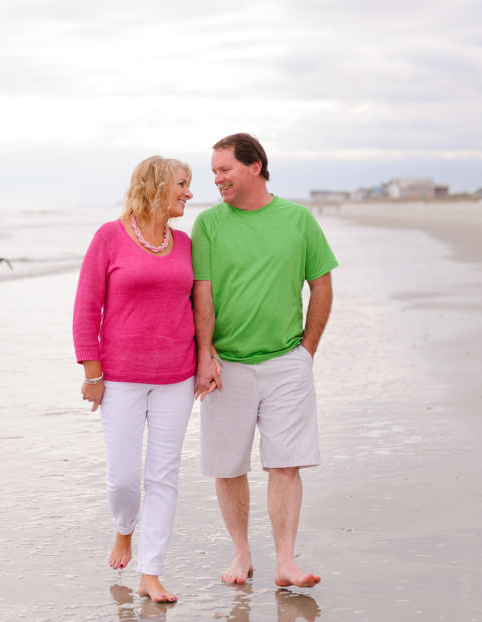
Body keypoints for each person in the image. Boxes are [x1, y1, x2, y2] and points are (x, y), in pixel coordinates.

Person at [192, 133, 338, 588]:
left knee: (285, 464)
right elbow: (203, 295)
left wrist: (306, 351)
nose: (216, 179)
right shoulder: (209, 225)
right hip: (226, 364)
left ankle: (286, 562)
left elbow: (322, 285)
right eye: (213, 170)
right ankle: (241, 554)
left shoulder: (297, 219)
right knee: (228, 466)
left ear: (255, 166)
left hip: (287, 361)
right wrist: (205, 354)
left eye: (224, 169)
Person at [73, 156, 200, 603]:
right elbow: (87, 307)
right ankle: (124, 529)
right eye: (182, 184)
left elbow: (200, 307)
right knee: (124, 479)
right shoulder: (109, 237)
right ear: (157, 185)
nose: (188, 193)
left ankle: (152, 571)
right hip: (122, 377)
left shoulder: (185, 243)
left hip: (177, 375)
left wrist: (207, 361)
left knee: (164, 476)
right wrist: (92, 373)